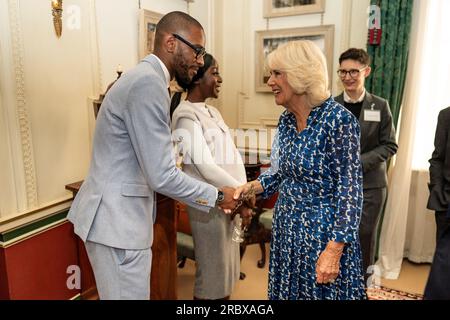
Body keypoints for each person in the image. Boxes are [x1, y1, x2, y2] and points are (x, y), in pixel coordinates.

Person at [67, 11, 241, 300]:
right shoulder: (148, 83)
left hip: (116, 221)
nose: (200, 60)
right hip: (117, 224)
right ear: (171, 42)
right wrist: (219, 196)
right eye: (197, 51)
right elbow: (161, 174)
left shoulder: (146, 79)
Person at [234, 40, 366, 300]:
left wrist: (334, 250)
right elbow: (278, 174)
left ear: (300, 75)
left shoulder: (338, 121)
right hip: (287, 232)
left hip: (323, 237)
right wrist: (244, 189)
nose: (270, 81)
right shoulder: (286, 120)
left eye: (277, 73)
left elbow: (350, 192)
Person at [170, 53, 252, 300]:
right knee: (212, 277)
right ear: (196, 77)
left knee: (227, 273)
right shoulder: (184, 116)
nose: (220, 78)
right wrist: (242, 191)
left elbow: (231, 156)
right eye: (214, 72)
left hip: (231, 200)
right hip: (210, 206)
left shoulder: (212, 112)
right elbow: (205, 167)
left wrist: (244, 193)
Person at [334, 48, 398, 284]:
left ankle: (360, 285)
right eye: (343, 72)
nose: (348, 77)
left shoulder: (380, 106)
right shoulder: (331, 105)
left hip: (371, 187)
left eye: (353, 71)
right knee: (337, 238)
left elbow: (390, 145)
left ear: (366, 71)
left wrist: (358, 163)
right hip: (338, 186)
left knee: (363, 237)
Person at [424, 106, 450, 300]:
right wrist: (438, 191)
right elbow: (437, 159)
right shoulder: (446, 115)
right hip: (447, 203)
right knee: (443, 270)